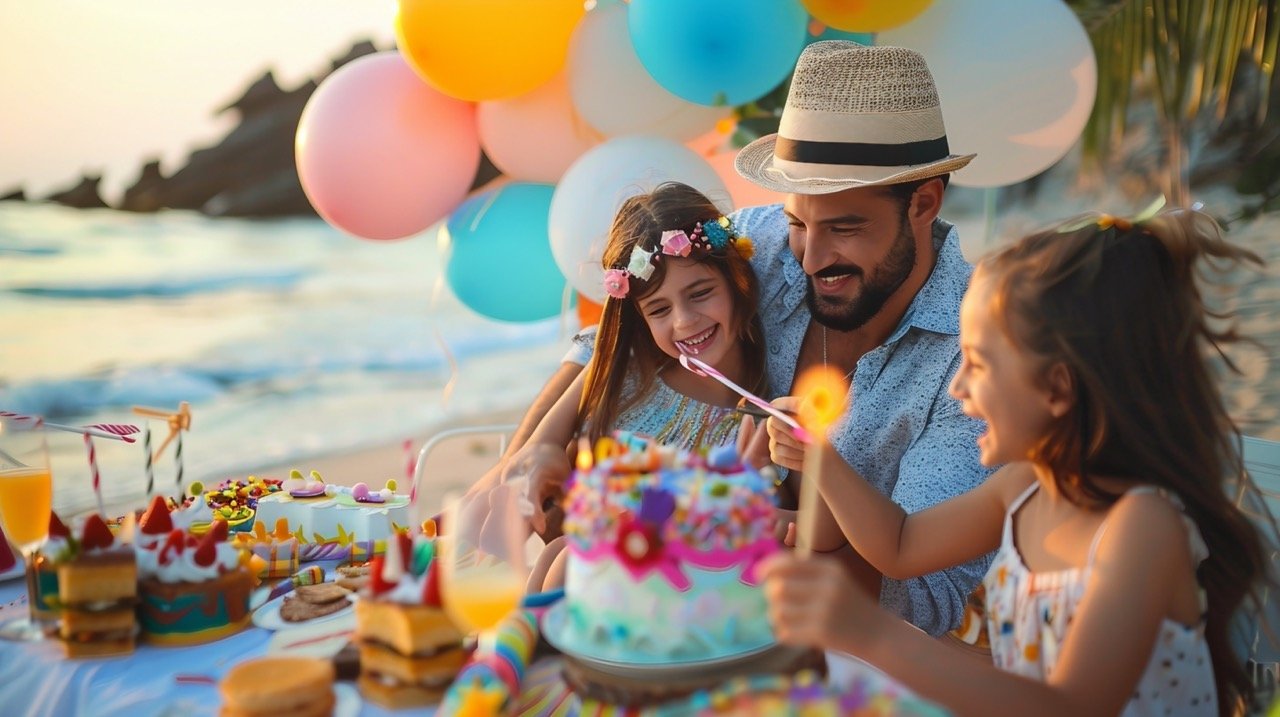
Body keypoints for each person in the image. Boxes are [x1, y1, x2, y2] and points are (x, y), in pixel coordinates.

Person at [492, 41, 997, 635]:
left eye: (844, 228)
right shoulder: (766, 243)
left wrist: (724, 543)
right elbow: (619, 319)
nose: (810, 258)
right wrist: (537, 445)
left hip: (843, 648)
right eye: (799, 222)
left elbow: (924, 596)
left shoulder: (977, 355)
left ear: (924, 202)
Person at [761, 208, 1272, 716]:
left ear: (1056, 388)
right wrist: (821, 457)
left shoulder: (1142, 527)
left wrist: (871, 632)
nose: (957, 388)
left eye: (977, 365)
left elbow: (1072, 707)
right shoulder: (1025, 486)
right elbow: (899, 546)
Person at [515, 181, 766, 590]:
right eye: (659, 309)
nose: (685, 321)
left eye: (700, 293)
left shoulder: (757, 416)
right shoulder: (626, 369)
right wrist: (544, 460)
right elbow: (538, 448)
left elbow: (777, 523)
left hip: (686, 597)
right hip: (593, 578)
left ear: (737, 279)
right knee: (554, 557)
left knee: (561, 561)